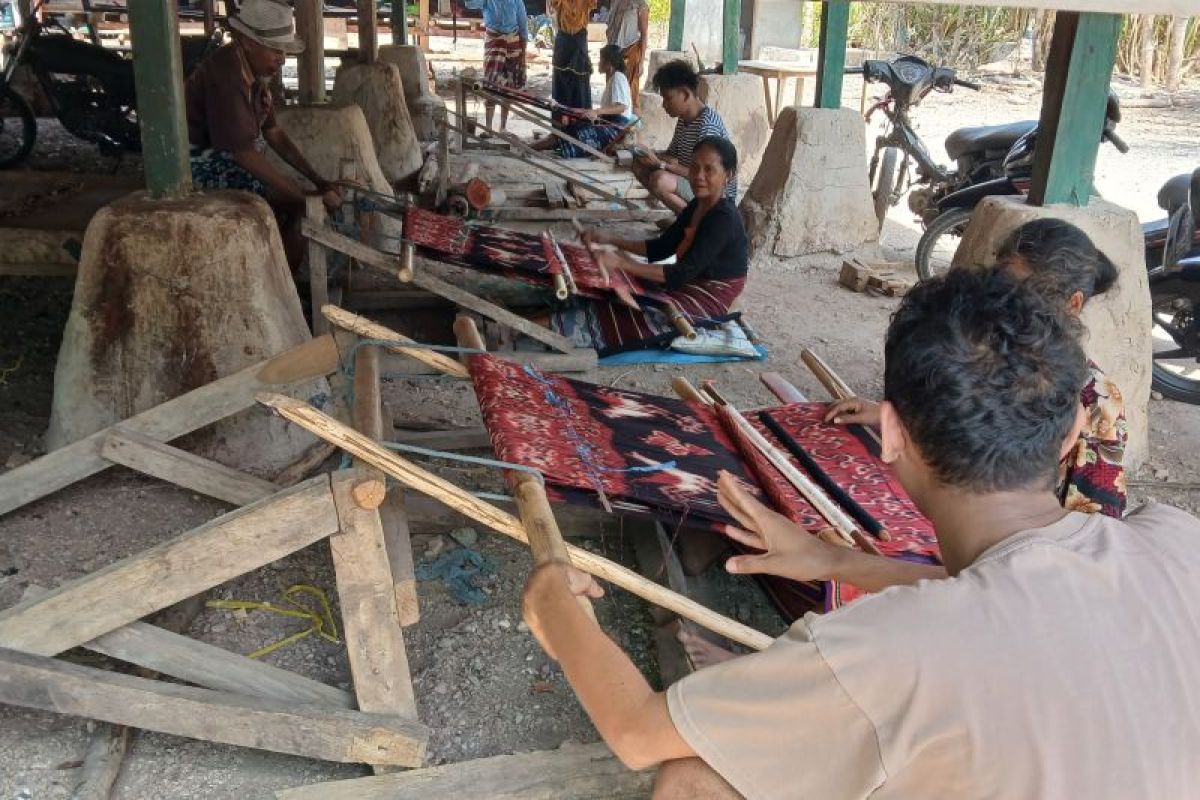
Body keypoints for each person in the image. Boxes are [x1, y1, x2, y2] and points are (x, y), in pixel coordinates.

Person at [521, 267, 1200, 798]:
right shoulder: (1176, 540)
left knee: (693, 779)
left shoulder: (886, 651)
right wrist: (831, 559)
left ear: (892, 433)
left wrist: (556, 607)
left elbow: (638, 732)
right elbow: (1024, 608)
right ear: (1073, 436)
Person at [185, 0, 342, 270]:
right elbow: (243, 154)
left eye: (284, 51)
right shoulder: (226, 77)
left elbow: (274, 132)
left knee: (300, 199)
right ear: (247, 42)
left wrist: (318, 179)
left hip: (233, 157)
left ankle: (272, 275)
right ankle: (279, 284)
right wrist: (306, 197)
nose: (282, 59)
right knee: (302, 209)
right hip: (198, 166)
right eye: (275, 50)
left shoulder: (255, 75)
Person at [553, 136, 747, 351]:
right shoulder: (697, 206)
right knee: (610, 292)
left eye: (709, 170)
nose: (699, 176)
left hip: (710, 291)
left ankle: (553, 327)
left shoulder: (724, 219)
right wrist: (608, 238)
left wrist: (623, 263)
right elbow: (661, 247)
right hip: (688, 278)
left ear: (728, 176)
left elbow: (680, 273)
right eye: (694, 167)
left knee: (638, 316)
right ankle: (553, 318)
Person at [634, 60, 736, 214]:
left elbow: (706, 175)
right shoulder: (684, 119)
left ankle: (698, 223)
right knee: (639, 164)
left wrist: (661, 165)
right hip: (695, 181)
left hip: (715, 195)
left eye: (668, 98)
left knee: (660, 180)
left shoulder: (707, 125)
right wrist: (647, 153)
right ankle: (683, 217)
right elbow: (671, 155)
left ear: (686, 94)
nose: (664, 105)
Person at [532, 44, 634, 158]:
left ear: (609, 63)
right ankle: (531, 147)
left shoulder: (618, 77)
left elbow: (621, 107)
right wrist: (577, 110)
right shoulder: (614, 78)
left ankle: (531, 147)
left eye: (601, 60)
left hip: (615, 130)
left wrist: (597, 112)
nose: (599, 63)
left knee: (576, 135)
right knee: (570, 129)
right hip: (610, 125)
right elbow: (607, 110)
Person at [463, 0, 529, 131]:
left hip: (513, 42)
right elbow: (469, 4)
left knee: (509, 87)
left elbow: (523, 26)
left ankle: (503, 127)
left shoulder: (517, 1)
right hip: (493, 41)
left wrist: (523, 53)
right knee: (490, 84)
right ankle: (488, 128)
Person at [548, 0, 596, 127]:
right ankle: (559, 130)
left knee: (580, 88)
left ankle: (581, 128)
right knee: (561, 88)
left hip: (578, 43)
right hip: (564, 44)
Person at [604, 0, 648, 112]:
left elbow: (644, 35)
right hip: (613, 55)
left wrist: (641, 62)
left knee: (630, 93)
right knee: (613, 93)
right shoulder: (615, 3)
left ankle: (631, 127)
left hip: (631, 53)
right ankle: (614, 125)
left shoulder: (640, 5)